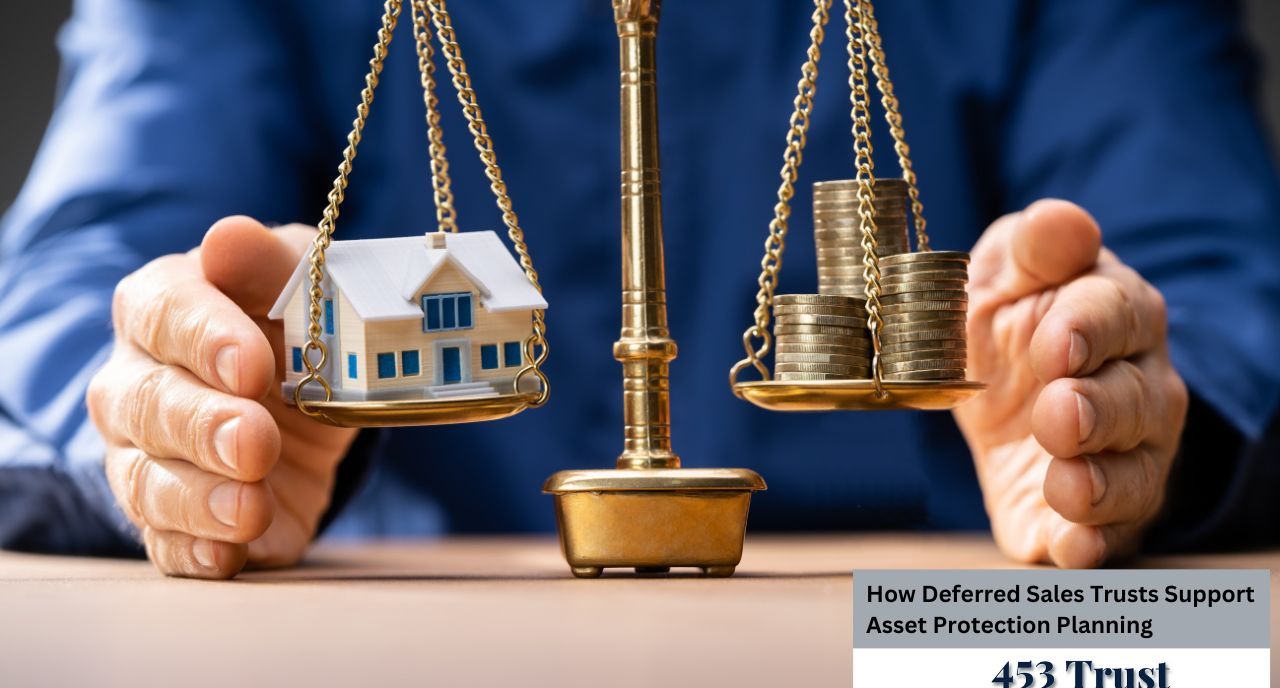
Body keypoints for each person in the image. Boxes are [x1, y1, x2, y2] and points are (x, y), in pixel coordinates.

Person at [1, 0, 1277, 578]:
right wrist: (187, 414)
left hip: (913, 647)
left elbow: (1221, 290)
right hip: (415, 660)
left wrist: (1109, 396)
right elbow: (74, 289)